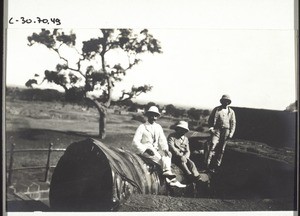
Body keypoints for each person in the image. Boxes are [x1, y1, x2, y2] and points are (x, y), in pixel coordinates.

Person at [132, 106, 186, 188]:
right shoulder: (142, 127)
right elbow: (135, 142)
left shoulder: (158, 127)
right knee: (159, 159)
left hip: (155, 149)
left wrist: (166, 150)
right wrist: (145, 149)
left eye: (155, 116)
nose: (153, 118)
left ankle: (168, 175)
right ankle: (171, 179)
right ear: (148, 115)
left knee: (166, 156)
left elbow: (163, 140)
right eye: (152, 115)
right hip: (146, 150)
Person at [207, 94, 236, 173]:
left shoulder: (231, 112)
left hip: (226, 131)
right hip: (217, 130)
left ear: (229, 102)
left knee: (221, 149)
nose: (225, 102)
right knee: (212, 145)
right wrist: (211, 128)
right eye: (224, 101)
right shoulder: (216, 109)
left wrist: (231, 133)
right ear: (222, 101)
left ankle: (216, 166)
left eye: (227, 101)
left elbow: (233, 123)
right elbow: (210, 120)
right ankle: (207, 164)